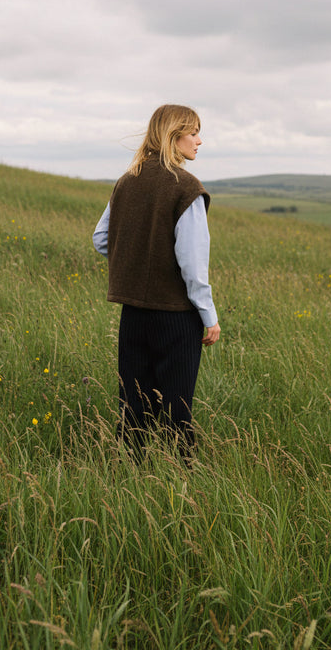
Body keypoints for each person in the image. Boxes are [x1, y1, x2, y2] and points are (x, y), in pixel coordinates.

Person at [92, 104, 220, 462]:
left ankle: (127, 476)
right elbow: (193, 265)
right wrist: (208, 316)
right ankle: (184, 481)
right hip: (176, 316)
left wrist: (137, 262)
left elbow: (102, 239)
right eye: (193, 132)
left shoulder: (128, 180)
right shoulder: (186, 188)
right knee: (177, 410)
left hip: (134, 313)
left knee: (133, 406)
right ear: (173, 135)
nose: (199, 140)